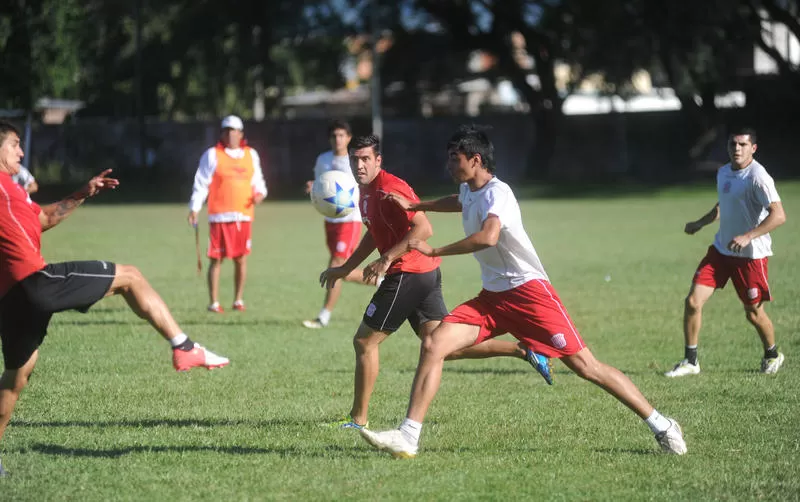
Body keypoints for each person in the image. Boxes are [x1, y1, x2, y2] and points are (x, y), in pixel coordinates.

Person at [359, 125, 686, 458]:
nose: (448, 165)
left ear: (475, 160)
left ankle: (662, 425)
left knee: (587, 367)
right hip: (492, 299)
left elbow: (488, 236)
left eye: (454, 159)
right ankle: (408, 436)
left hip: (530, 295)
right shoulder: (470, 190)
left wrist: (435, 251)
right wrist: (415, 205)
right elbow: (458, 202)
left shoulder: (498, 193)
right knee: (434, 343)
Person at [0, 121, 229, 477]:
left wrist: (82, 192)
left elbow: (44, 217)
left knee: (17, 377)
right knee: (131, 276)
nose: (21, 152)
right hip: (34, 282)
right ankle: (184, 347)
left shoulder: (13, 192)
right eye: (15, 144)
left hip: (12, 298)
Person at [319, 134, 553, 430]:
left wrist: (387, 258)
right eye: (355, 159)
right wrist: (345, 268)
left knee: (364, 341)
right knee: (444, 346)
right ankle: (525, 350)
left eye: (366, 159)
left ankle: (358, 419)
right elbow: (373, 234)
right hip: (422, 273)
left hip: (409, 273)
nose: (360, 165)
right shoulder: (364, 192)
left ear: (379, 160)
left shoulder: (390, 186)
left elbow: (423, 228)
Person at [665, 128, 786, 378]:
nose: (737, 148)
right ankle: (691, 361)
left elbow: (779, 215)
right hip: (721, 251)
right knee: (692, 302)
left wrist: (748, 235)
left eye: (743, 144)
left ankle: (772, 354)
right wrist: (700, 222)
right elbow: (724, 204)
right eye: (733, 144)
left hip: (751, 257)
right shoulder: (724, 173)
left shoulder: (758, 176)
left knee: (753, 313)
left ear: (753, 148)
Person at [188, 115, 267, 313]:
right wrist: (195, 207)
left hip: (243, 215)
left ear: (241, 134)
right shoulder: (212, 155)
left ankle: (238, 299)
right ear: (222, 133)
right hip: (219, 216)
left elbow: (258, 181)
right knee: (216, 259)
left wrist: (260, 194)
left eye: (234, 130)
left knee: (241, 258)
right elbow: (201, 183)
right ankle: (214, 302)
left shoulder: (251, 154)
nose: (230, 134)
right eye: (226, 131)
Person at [303, 120, 368, 329]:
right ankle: (380, 280)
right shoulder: (323, 159)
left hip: (349, 219)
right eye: (334, 136)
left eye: (341, 135)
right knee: (340, 268)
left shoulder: (355, 160)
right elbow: (321, 186)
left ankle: (323, 316)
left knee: (335, 266)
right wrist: (313, 188)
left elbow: (366, 184)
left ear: (349, 138)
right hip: (330, 219)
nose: (337, 139)